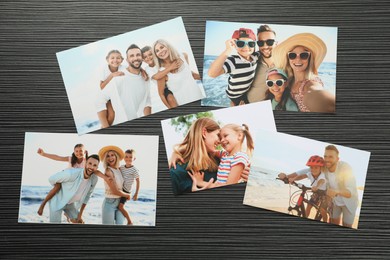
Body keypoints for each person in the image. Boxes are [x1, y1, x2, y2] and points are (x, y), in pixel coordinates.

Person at [279, 145, 358, 228]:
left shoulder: (345, 168)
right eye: (325, 156)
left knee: (346, 225)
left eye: (330, 157)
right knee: (334, 222)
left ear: (337, 159)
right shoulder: (323, 167)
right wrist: (287, 177)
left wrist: (336, 191)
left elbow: (351, 192)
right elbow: (304, 172)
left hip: (349, 202)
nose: (327, 159)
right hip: (334, 201)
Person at [168, 118, 250, 195]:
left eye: (224, 136)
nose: (220, 141)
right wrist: (176, 152)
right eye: (218, 135)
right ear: (204, 133)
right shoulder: (175, 174)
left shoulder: (220, 160)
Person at [272, 33, 335, 112]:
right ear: (288, 59)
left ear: (309, 58)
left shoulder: (310, 84)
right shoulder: (288, 80)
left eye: (304, 55)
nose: (298, 59)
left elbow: (327, 104)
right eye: (292, 55)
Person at [96, 44, 152, 128]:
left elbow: (147, 100)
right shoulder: (118, 77)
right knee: (111, 115)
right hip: (110, 101)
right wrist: (105, 126)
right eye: (132, 56)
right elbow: (99, 98)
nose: (135, 58)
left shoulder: (145, 77)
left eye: (138, 55)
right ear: (127, 60)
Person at [188, 124, 254, 191]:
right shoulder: (224, 154)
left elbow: (229, 187)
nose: (222, 140)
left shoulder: (239, 158)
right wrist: (177, 152)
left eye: (225, 136)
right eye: (220, 138)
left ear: (239, 136)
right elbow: (209, 150)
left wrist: (201, 183)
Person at [208, 28, 259, 106]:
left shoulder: (255, 56)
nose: (246, 47)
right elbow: (212, 74)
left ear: (255, 45)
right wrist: (228, 50)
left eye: (251, 44)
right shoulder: (233, 61)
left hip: (246, 90)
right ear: (234, 45)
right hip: (235, 94)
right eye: (241, 44)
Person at [37, 144, 88, 216]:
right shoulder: (70, 159)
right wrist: (44, 154)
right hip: (65, 179)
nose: (78, 153)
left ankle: (67, 212)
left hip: (74, 185)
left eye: (81, 151)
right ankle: (43, 204)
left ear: (85, 152)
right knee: (57, 187)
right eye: (76, 151)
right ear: (74, 152)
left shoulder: (87, 162)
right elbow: (57, 157)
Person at [47, 154, 100, 223]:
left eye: (94, 165)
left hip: (70, 204)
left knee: (80, 223)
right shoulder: (72, 173)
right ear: (85, 163)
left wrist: (80, 215)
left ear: (97, 168)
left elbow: (87, 196)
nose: (91, 167)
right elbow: (51, 179)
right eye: (90, 163)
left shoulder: (94, 179)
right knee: (56, 229)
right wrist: (58, 187)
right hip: (57, 202)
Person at [153, 39, 204, 108]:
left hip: (199, 97)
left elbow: (190, 74)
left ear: (168, 46)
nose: (160, 51)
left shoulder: (183, 56)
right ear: (156, 55)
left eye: (162, 47)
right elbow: (161, 94)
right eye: (157, 51)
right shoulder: (162, 72)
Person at [287, 155, 329, 222]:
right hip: (316, 192)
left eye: (316, 167)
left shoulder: (322, 175)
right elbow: (302, 176)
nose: (313, 169)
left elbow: (321, 181)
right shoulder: (310, 173)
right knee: (309, 205)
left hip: (324, 194)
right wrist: (293, 179)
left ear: (320, 168)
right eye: (311, 167)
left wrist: (317, 187)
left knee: (322, 210)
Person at [99, 145, 131, 225]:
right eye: (108, 156)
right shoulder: (108, 171)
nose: (110, 158)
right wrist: (127, 195)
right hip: (109, 203)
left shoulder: (119, 169)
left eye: (112, 155)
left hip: (119, 202)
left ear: (116, 156)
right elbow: (115, 191)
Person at [141, 46, 178, 112]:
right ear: (143, 60)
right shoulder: (147, 69)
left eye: (150, 54)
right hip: (164, 88)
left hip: (173, 83)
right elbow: (157, 76)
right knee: (170, 98)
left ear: (155, 54)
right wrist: (170, 68)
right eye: (145, 57)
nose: (148, 57)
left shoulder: (161, 62)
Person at [247, 24, 277, 103]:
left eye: (270, 42)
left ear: (276, 43)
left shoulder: (285, 63)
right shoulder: (251, 62)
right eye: (261, 43)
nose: (265, 46)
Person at [99, 50, 126, 126]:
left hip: (118, 94)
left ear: (122, 60)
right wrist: (112, 75)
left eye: (118, 58)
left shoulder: (123, 67)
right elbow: (101, 87)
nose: (115, 60)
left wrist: (142, 70)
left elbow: (133, 69)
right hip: (107, 97)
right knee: (111, 116)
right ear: (107, 60)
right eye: (112, 58)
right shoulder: (104, 69)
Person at [118, 149, 140, 225]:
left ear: (134, 158)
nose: (128, 159)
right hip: (120, 189)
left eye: (130, 157)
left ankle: (129, 221)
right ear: (124, 158)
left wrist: (136, 193)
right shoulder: (122, 167)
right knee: (117, 206)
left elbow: (138, 181)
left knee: (120, 207)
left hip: (126, 191)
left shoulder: (134, 170)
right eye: (126, 157)